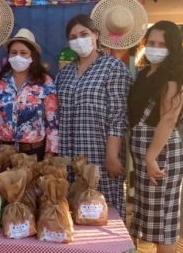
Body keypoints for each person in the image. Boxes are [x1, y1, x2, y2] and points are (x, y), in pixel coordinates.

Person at [128, 21, 183, 253]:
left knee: (164, 228)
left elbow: (167, 121)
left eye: (162, 44)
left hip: (161, 159)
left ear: (172, 48)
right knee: (152, 223)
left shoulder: (173, 79)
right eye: (151, 42)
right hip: (145, 161)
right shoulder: (144, 74)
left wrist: (152, 156)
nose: (155, 48)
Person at [55, 14, 132, 221]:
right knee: (74, 214)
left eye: (84, 34)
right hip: (69, 158)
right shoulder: (64, 73)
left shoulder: (113, 68)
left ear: (96, 35)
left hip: (100, 157)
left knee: (103, 214)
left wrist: (112, 156)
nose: (79, 39)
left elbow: (118, 115)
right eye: (73, 36)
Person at [0, 28, 59, 160]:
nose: (18, 56)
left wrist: (50, 154)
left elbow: (52, 123)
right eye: (14, 53)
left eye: (23, 53)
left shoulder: (45, 83)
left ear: (32, 56)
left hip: (34, 153)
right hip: (3, 154)